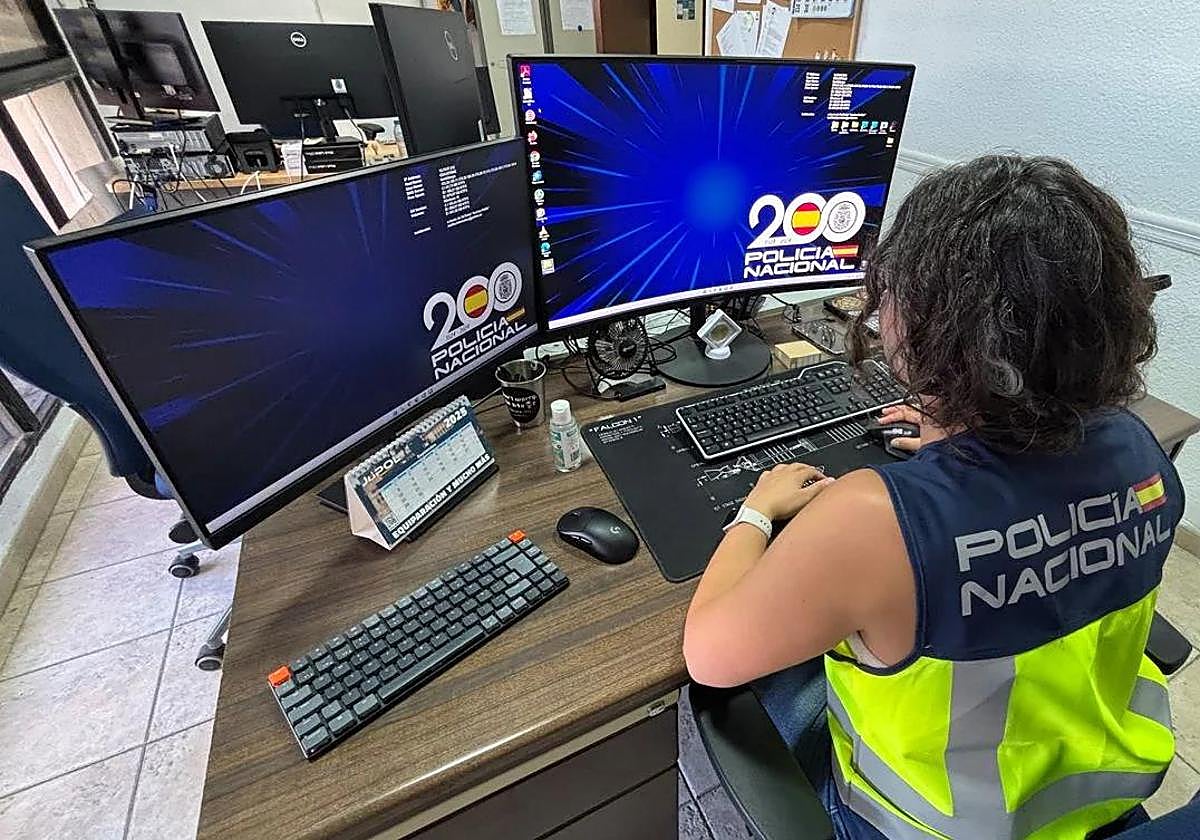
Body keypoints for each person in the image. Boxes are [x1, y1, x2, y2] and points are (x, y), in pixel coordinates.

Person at [682, 155, 1183, 839]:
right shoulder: (1139, 447)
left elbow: (708, 655)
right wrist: (963, 436)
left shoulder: (873, 520)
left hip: (928, 824)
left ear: (928, 328)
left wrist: (756, 511)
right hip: (1102, 798)